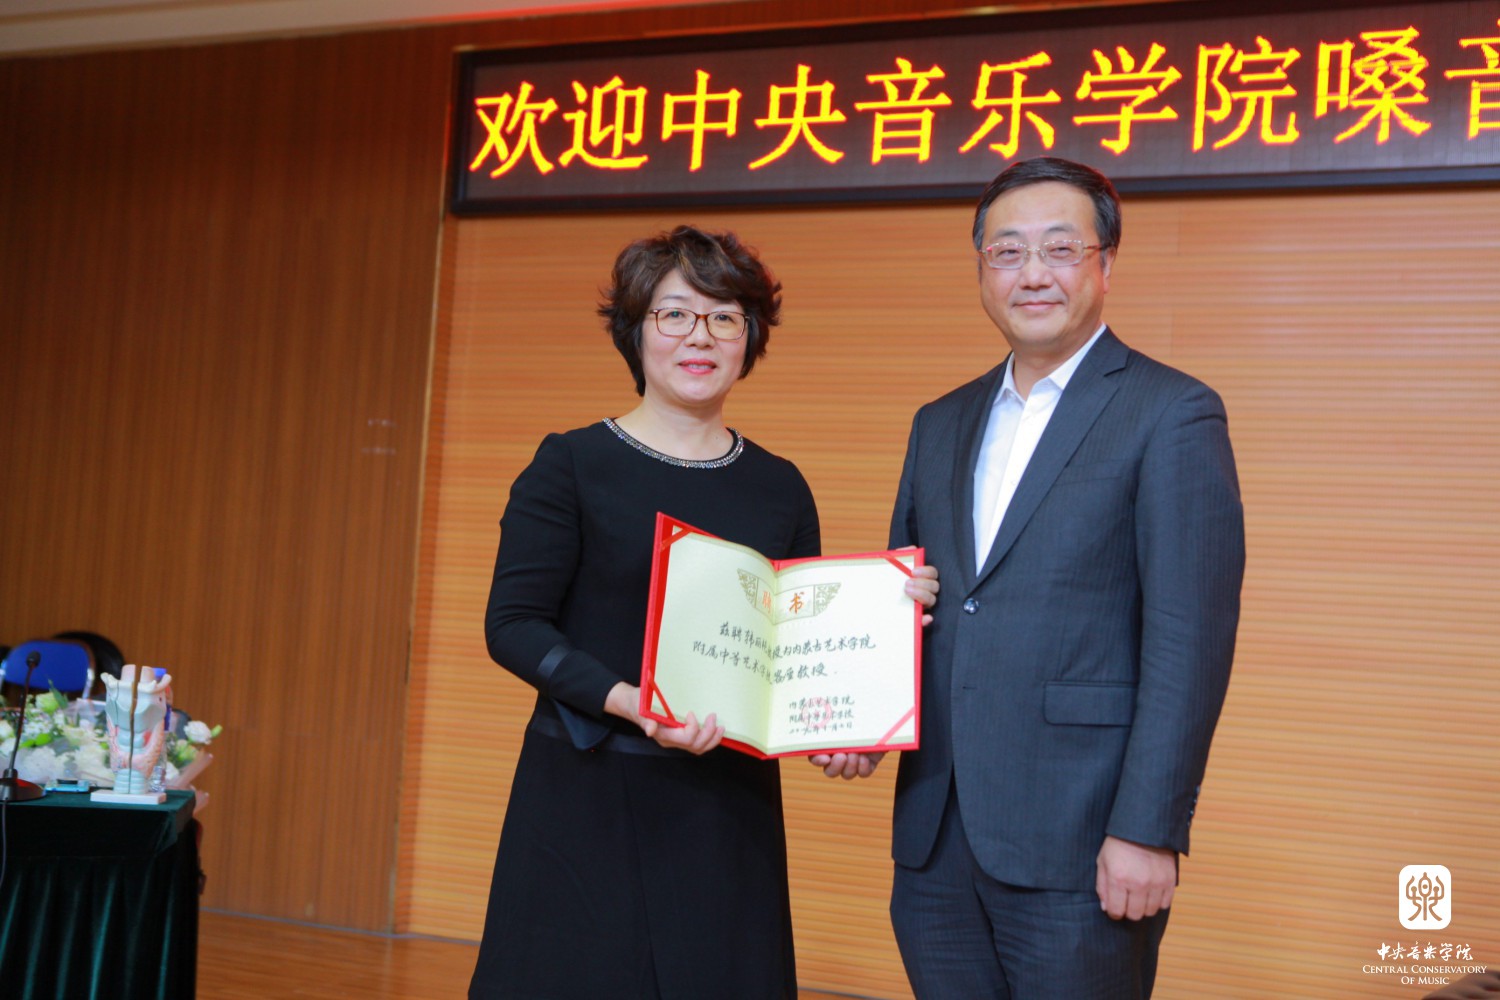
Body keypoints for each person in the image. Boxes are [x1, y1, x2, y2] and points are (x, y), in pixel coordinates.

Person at [470, 224, 937, 999]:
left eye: (725, 317)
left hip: (726, 811)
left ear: (750, 339)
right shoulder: (572, 463)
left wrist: (874, 668)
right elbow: (512, 625)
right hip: (587, 796)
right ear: (636, 330)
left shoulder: (780, 486)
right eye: (676, 314)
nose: (701, 335)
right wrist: (630, 702)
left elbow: (791, 652)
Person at [816, 157, 1245, 998]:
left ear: (1105, 265)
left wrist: (1149, 829)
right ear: (982, 270)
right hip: (936, 839)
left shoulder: (1171, 412)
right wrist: (862, 720)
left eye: (1060, 248)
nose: (1033, 273)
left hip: (1082, 840)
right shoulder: (939, 422)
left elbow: (1189, 642)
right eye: (1007, 252)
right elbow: (912, 606)